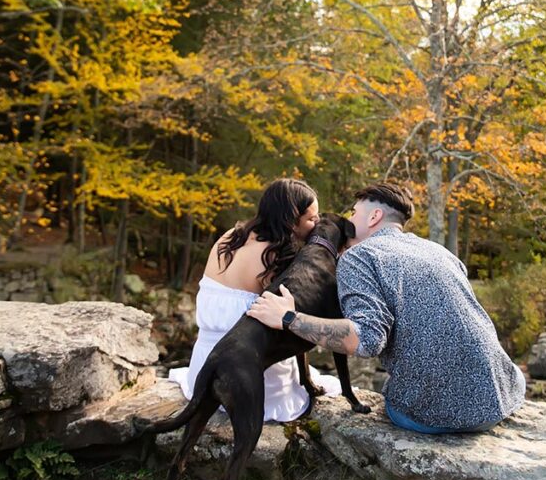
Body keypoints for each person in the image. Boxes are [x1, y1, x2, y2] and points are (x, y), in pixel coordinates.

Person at [246, 181, 526, 434]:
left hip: (436, 416)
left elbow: (367, 340)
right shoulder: (439, 252)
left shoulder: (360, 256)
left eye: (354, 213)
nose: (349, 221)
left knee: (394, 399)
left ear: (374, 216)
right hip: (502, 397)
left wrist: (288, 318)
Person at [168, 177, 342, 421]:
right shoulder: (277, 257)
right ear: (292, 221)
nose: (317, 224)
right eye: (312, 219)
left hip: (203, 371)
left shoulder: (230, 237)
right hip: (247, 377)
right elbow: (290, 321)